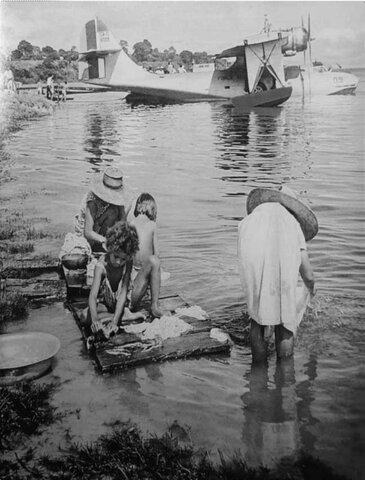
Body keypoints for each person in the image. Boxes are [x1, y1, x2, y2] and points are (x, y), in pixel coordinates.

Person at [238, 185, 318, 362]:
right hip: (278, 261)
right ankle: (285, 371)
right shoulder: (292, 224)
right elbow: (308, 274)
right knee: (285, 321)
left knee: (257, 317)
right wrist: (310, 289)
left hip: (250, 251)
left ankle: (258, 369)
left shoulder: (254, 217)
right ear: (292, 208)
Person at [82, 221, 145, 337]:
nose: (118, 262)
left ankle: (119, 315)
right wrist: (95, 321)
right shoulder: (101, 266)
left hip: (125, 302)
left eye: (123, 259)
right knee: (84, 316)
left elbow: (123, 295)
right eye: (116, 256)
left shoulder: (128, 263)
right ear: (110, 248)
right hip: (108, 303)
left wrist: (114, 322)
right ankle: (124, 316)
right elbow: (93, 296)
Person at [75, 167, 131, 253]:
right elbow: (88, 232)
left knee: (118, 211)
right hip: (87, 235)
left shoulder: (117, 200)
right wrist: (106, 241)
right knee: (112, 212)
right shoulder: (92, 202)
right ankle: (98, 247)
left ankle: (107, 243)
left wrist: (123, 235)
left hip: (101, 226)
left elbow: (122, 220)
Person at [129, 193, 163, 318]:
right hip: (139, 282)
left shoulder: (131, 223)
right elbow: (157, 254)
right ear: (152, 209)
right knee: (155, 262)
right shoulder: (152, 225)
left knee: (150, 264)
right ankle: (154, 305)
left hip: (132, 282)